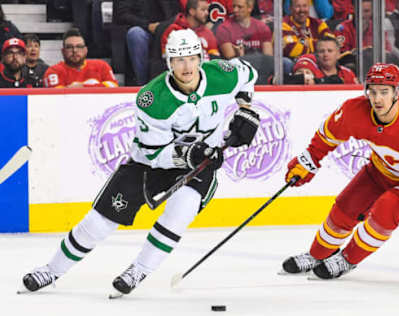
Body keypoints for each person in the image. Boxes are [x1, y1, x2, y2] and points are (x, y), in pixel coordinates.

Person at [19, 29, 260, 297]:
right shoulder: (152, 99)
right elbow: (154, 153)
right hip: (150, 164)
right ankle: (51, 270)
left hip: (200, 164)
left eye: (192, 58)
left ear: (200, 57)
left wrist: (246, 110)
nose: (187, 66)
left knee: (181, 213)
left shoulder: (222, 74)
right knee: (99, 222)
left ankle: (139, 269)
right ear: (169, 62)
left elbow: (248, 74)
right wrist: (191, 154)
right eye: (179, 60)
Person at [280, 63, 399, 279]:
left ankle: (348, 259)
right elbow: (327, 136)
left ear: (397, 92)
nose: (377, 99)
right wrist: (309, 160)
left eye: (384, 92)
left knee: (386, 208)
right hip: (380, 170)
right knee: (345, 207)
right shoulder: (353, 110)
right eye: (372, 91)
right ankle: (317, 254)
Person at [153, 0, 219, 78]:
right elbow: (166, 58)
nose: (207, 13)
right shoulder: (173, 30)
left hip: (205, 77)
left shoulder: (208, 32)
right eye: (203, 10)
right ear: (192, 11)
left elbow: (215, 58)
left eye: (207, 10)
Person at [43, 28, 118, 88]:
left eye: (79, 46)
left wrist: (82, 87)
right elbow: (57, 97)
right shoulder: (54, 71)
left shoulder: (102, 66)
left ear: (85, 50)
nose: (74, 50)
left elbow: (114, 87)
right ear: (63, 51)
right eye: (69, 47)